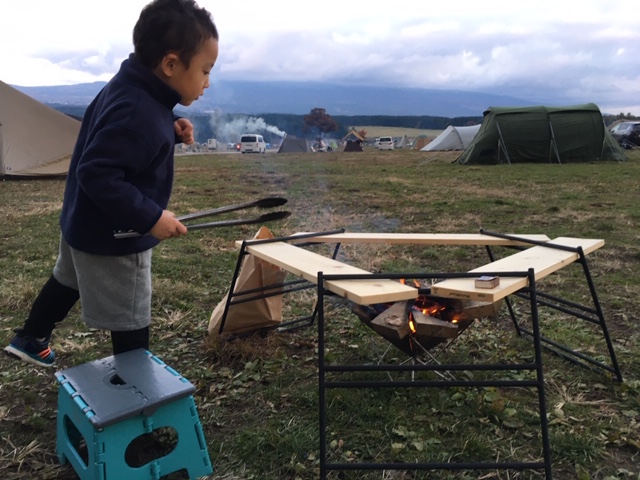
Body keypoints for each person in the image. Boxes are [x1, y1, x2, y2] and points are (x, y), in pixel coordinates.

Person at [4, 0, 219, 367]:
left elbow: (119, 134)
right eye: (204, 70)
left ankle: (31, 336)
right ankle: (138, 401)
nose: (207, 82)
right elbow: (98, 172)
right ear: (170, 64)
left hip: (82, 220)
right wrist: (150, 217)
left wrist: (169, 126)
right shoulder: (140, 113)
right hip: (115, 234)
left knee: (67, 278)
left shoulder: (133, 87)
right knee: (132, 315)